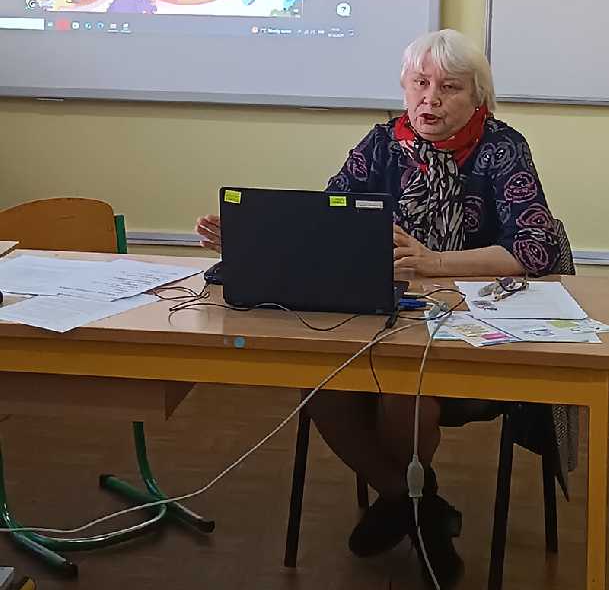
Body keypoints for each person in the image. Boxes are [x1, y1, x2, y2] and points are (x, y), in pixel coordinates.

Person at [195, 29, 565, 588]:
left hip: (475, 327)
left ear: (478, 97)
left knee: (401, 390)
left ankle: (405, 508)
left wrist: (433, 262)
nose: (430, 99)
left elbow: (535, 249)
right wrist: (250, 243)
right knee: (320, 386)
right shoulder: (381, 144)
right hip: (385, 316)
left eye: (449, 88)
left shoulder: (503, 149)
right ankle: (416, 506)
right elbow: (329, 222)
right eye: (420, 84)